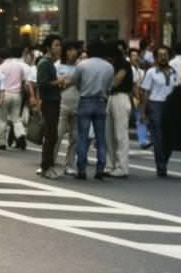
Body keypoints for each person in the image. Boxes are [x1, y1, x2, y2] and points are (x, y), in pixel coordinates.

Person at [72, 42, 115, 180]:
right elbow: (109, 86)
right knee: (101, 137)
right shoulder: (109, 67)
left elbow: (76, 81)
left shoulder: (82, 65)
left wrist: (83, 90)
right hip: (101, 102)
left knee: (83, 136)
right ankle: (100, 169)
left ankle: (81, 169)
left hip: (85, 100)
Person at [140, 46, 179, 177]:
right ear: (156, 58)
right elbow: (146, 92)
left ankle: (164, 160)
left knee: (169, 137)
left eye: (166, 55)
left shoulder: (174, 72)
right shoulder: (151, 72)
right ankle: (161, 166)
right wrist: (143, 111)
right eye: (160, 55)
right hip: (155, 105)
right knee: (158, 137)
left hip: (170, 106)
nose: (163, 57)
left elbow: (176, 90)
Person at [50, 40, 82, 177]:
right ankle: (49, 163)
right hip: (61, 103)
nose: (72, 53)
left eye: (75, 50)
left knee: (75, 137)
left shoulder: (80, 67)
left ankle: (69, 165)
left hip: (78, 103)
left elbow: (83, 84)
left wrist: (68, 81)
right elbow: (55, 84)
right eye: (69, 50)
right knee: (57, 134)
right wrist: (67, 82)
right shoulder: (57, 65)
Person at [104, 43, 134, 178]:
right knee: (109, 134)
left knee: (120, 134)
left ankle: (122, 167)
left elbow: (116, 81)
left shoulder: (124, 64)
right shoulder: (112, 64)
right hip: (111, 97)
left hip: (121, 97)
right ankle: (111, 165)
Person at [35, 35, 63, 178]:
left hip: (53, 101)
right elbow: (42, 83)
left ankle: (46, 166)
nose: (59, 48)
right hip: (49, 102)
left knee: (52, 135)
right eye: (56, 45)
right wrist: (59, 82)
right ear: (48, 47)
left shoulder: (50, 63)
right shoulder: (45, 63)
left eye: (59, 45)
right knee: (51, 135)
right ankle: (47, 166)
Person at [0, 48, 27, 151]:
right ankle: (21, 134)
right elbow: (23, 81)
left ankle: (2, 143)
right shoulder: (19, 66)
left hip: (5, 94)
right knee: (16, 118)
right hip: (17, 94)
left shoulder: (1, 67)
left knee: (2, 119)